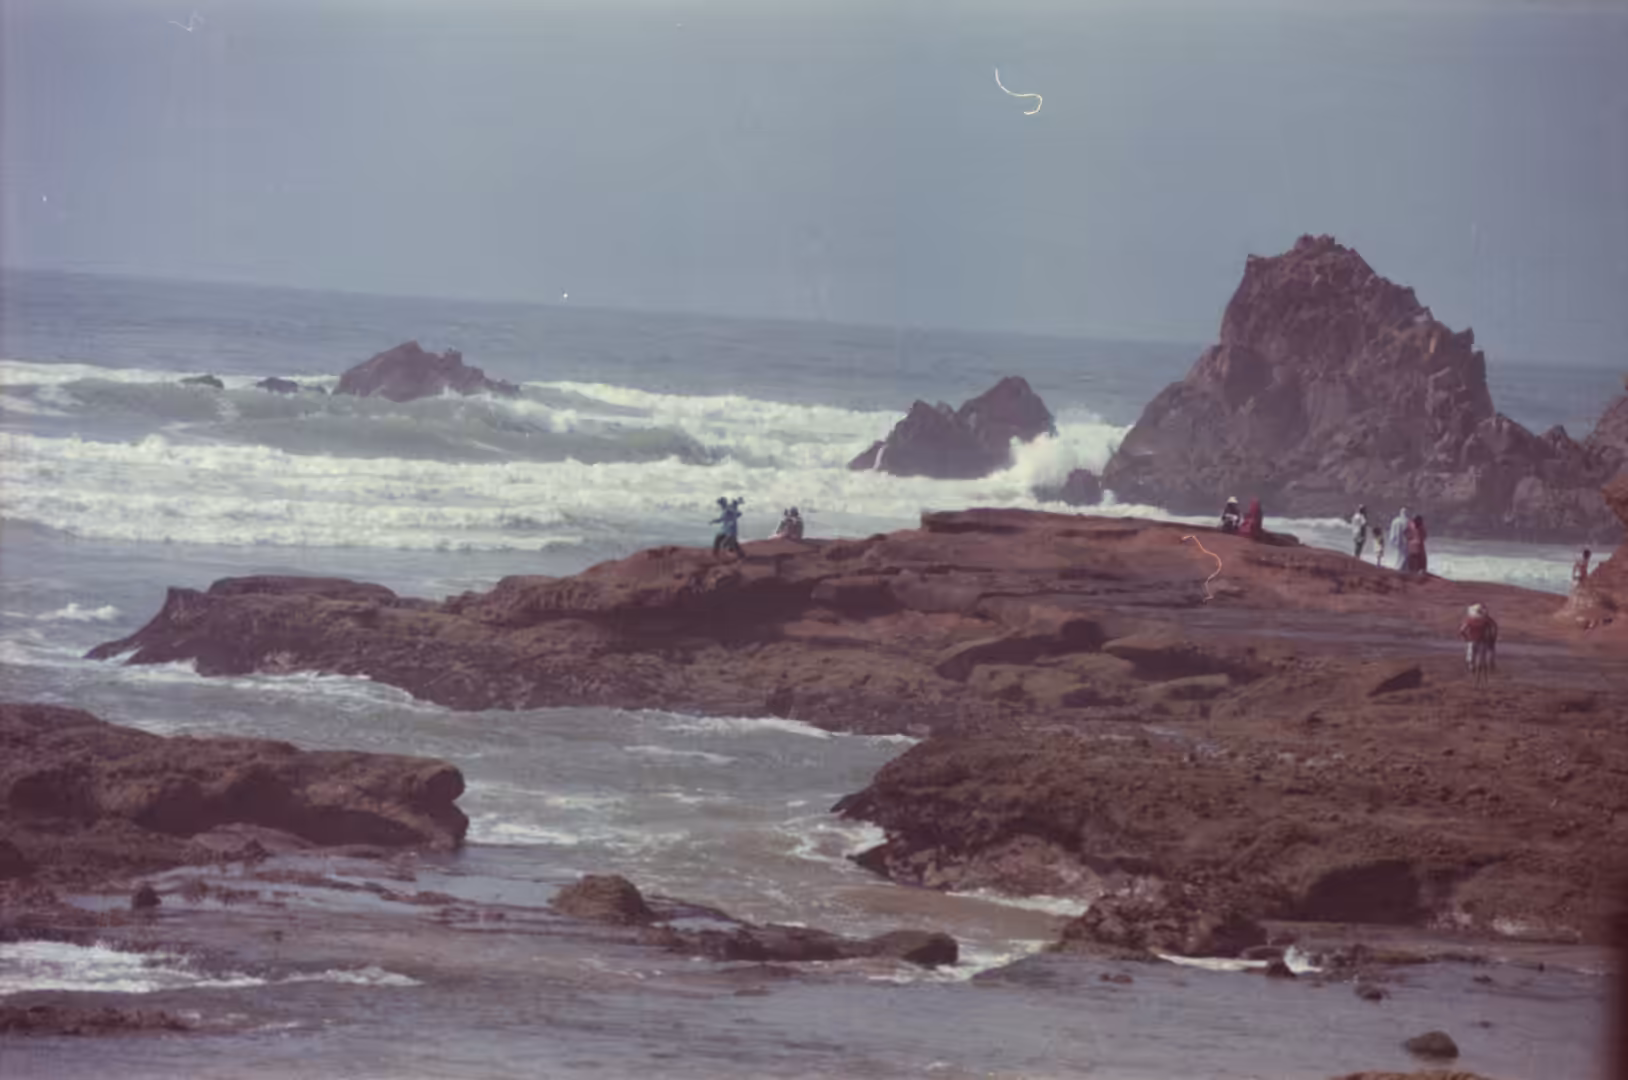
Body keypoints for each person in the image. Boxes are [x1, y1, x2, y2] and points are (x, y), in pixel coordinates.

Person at [1458, 603, 1498, 681]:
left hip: (1473, 640)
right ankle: (1479, 671)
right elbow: (1494, 627)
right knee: (1480, 657)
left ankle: (1472, 669)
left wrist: (1466, 638)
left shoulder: (1470, 620)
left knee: (1471, 656)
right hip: (1482, 641)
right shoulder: (1486, 620)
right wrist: (1492, 638)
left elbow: (1462, 630)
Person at [1387, 506, 1411, 571]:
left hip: (1397, 541)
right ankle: (1401, 568)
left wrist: (1392, 540)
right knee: (1403, 555)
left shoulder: (1395, 520)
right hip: (1404, 541)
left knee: (1398, 554)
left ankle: (1397, 567)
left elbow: (1392, 531)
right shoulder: (1408, 521)